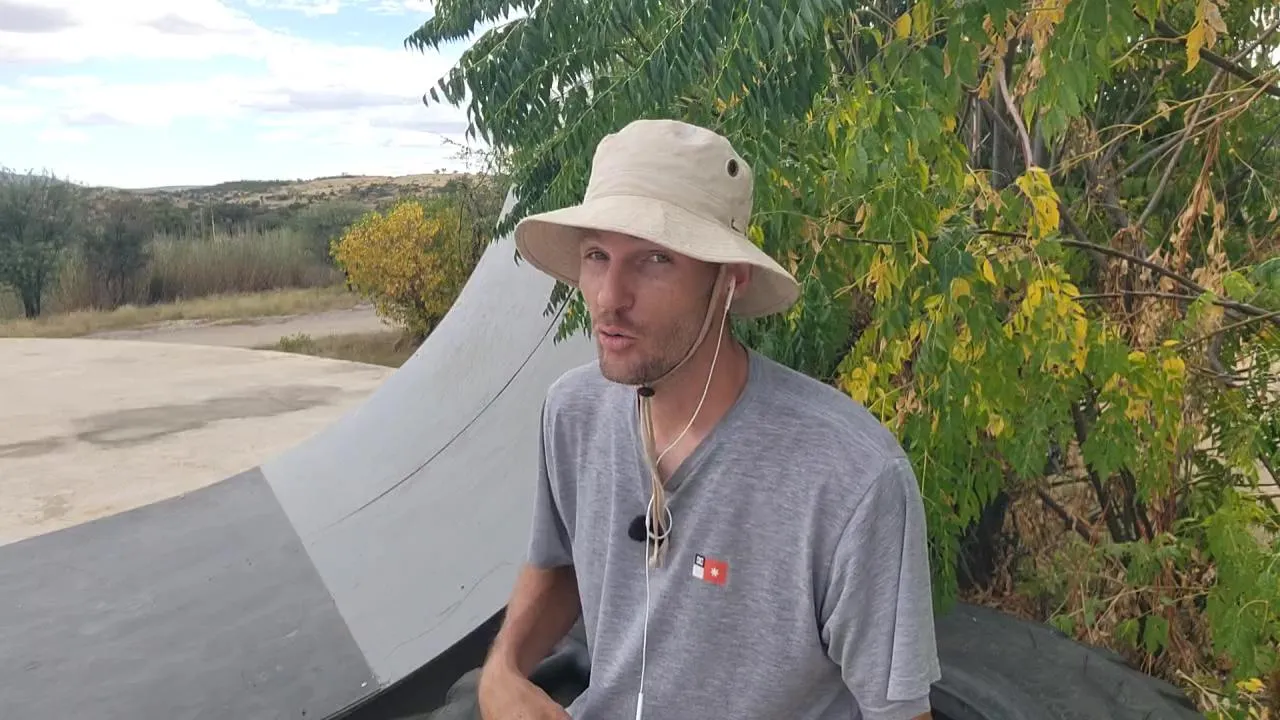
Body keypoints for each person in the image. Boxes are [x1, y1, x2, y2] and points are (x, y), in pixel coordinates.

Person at [476, 118, 941, 719]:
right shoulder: (574, 413)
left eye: (654, 260)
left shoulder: (850, 477)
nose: (609, 297)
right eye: (597, 255)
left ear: (729, 280)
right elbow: (560, 562)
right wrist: (502, 670)